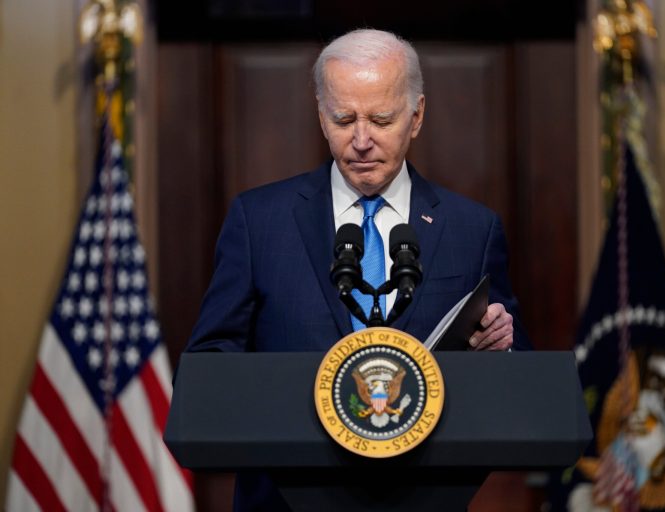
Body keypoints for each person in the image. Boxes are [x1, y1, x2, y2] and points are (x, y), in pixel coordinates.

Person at [185, 28, 532, 510]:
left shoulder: (472, 229)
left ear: (417, 117)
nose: (362, 140)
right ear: (320, 116)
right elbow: (208, 366)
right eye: (343, 118)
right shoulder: (258, 221)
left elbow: (517, 378)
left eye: (382, 119)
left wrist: (502, 348)